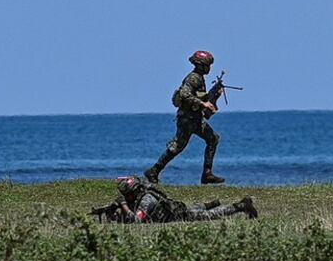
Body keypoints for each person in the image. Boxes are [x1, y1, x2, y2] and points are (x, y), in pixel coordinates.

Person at [145, 50, 226, 185]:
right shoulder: (193, 78)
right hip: (187, 119)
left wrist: (214, 93)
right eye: (207, 66)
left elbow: (199, 96)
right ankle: (153, 171)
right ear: (200, 65)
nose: (209, 69)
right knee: (177, 147)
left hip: (196, 119)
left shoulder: (200, 78)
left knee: (213, 139)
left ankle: (207, 174)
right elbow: (185, 94)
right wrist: (203, 103)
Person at [93, 175, 257, 223]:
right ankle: (211, 204)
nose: (126, 198)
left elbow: (136, 220)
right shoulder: (141, 195)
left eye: (127, 195)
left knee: (207, 216)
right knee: (193, 209)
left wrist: (123, 206)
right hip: (174, 209)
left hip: (176, 215)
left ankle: (240, 206)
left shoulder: (146, 200)